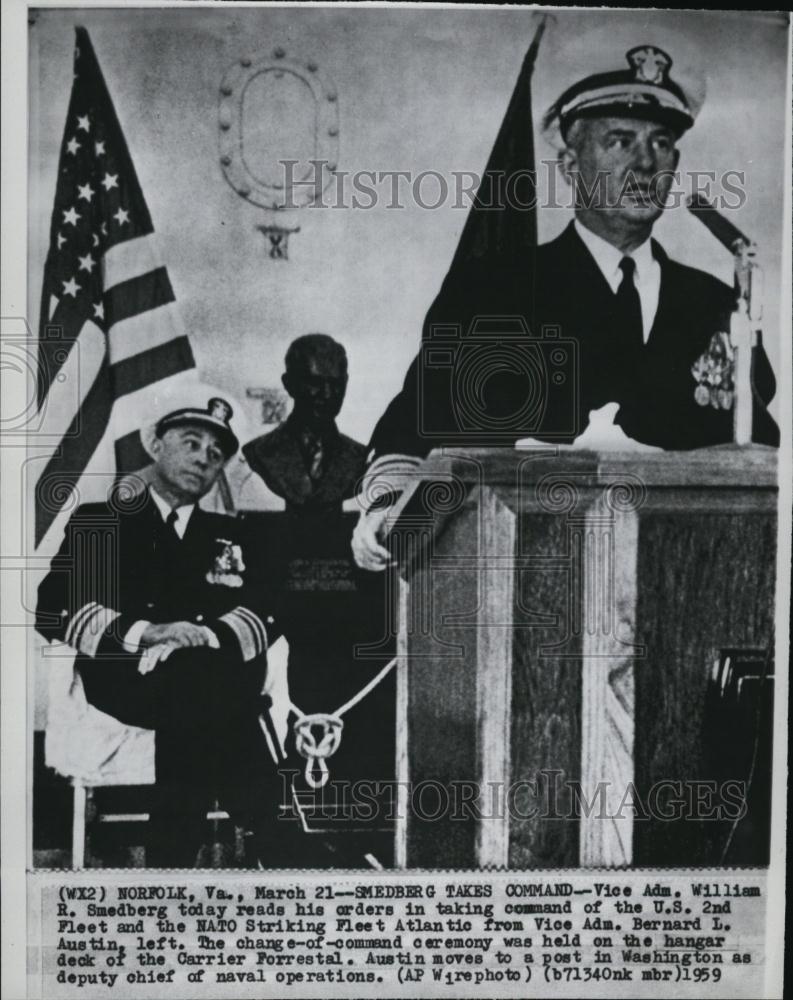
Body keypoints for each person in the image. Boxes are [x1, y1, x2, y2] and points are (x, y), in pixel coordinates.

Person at [352, 43, 779, 571]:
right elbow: (418, 421)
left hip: (685, 572)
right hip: (527, 570)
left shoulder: (714, 304)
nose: (645, 162)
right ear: (571, 165)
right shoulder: (495, 289)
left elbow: (760, 450)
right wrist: (386, 503)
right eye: (620, 141)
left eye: (661, 143)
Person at [36, 397, 284, 867]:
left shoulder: (232, 534)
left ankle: (171, 857)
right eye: (191, 443)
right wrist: (147, 632)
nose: (204, 459)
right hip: (128, 676)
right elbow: (53, 607)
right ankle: (272, 837)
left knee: (195, 679)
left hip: (207, 675)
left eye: (216, 454)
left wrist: (205, 635)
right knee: (208, 688)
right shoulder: (101, 522)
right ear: (155, 445)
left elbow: (267, 610)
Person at [243, 334, 367, 515]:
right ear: (289, 384)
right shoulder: (260, 452)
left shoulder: (361, 459)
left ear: (346, 383)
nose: (327, 394)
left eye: (336, 384)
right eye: (315, 382)